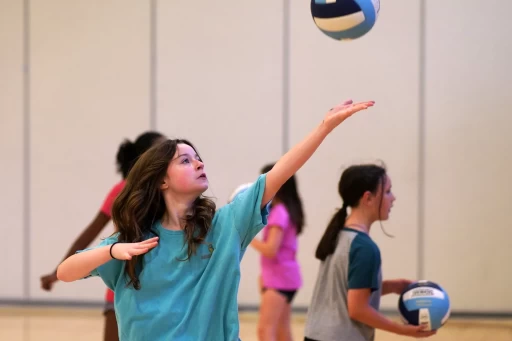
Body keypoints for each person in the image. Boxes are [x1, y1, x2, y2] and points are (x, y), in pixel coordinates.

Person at [56, 99, 375, 340]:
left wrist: (324, 127)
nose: (198, 163)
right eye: (185, 160)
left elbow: (278, 174)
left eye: (198, 157)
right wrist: (112, 251)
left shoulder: (227, 225)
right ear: (161, 181)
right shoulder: (133, 242)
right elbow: (66, 272)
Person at [40, 131, 165, 341]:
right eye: (161, 149)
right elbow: (90, 233)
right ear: (145, 156)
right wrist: (57, 272)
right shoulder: (123, 190)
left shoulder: (169, 191)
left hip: (158, 287)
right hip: (123, 283)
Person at [303, 164, 437, 341]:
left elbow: (344, 293)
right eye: (388, 191)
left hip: (316, 334)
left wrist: (391, 286)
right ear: (368, 198)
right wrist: (404, 330)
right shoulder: (364, 247)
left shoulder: (337, 235)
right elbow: (357, 309)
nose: (393, 198)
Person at [250, 163, 305, 341]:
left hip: (279, 280)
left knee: (265, 331)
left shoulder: (279, 212)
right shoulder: (285, 210)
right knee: (283, 332)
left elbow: (271, 250)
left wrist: (247, 236)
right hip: (286, 278)